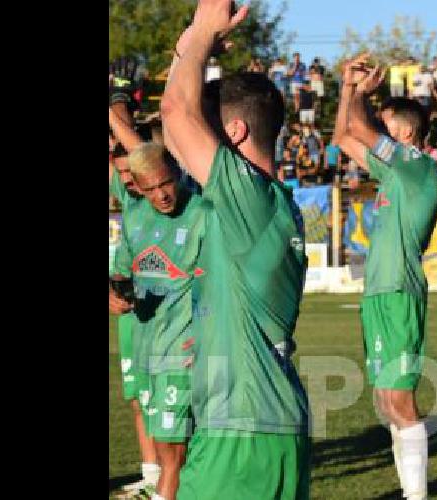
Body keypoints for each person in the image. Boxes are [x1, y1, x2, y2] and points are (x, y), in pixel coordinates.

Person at [160, 2, 311, 497]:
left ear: (237, 133)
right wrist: (190, 50)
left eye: (213, 130)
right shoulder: (264, 205)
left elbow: (176, 115)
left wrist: (204, 26)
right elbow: (177, 133)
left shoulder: (248, 194)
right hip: (261, 429)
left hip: (242, 436)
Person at [331, 54, 437, 500]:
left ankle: (416, 496)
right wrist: (346, 89)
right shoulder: (395, 174)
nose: (378, 126)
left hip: (398, 289)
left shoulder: (418, 166)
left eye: (386, 121)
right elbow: (343, 135)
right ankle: (407, 491)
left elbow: (358, 129)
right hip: (379, 291)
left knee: (400, 399)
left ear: (406, 132)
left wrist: (360, 93)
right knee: (385, 399)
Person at [111, 143, 208, 500]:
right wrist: (116, 294)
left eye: (166, 183)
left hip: (183, 350)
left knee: (174, 454)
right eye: (149, 189)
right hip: (147, 347)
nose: (162, 195)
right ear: (135, 186)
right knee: (172, 451)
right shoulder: (135, 217)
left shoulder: (202, 213)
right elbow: (122, 273)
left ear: (178, 173)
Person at [108, 98, 161, 498]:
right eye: (121, 171)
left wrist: (119, 99)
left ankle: (174, 474)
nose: (126, 178)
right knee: (139, 396)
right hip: (133, 318)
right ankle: (151, 473)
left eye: (132, 170)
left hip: (171, 320)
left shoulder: (169, 202)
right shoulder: (129, 203)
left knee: (171, 398)